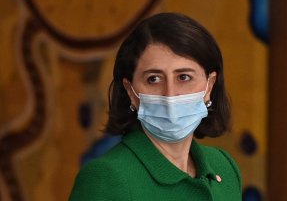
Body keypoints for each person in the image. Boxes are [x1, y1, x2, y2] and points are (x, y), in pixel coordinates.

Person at [69, 12, 241, 201]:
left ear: (210, 86)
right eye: (154, 79)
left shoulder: (224, 167)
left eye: (184, 77)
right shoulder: (106, 178)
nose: (170, 94)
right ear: (130, 92)